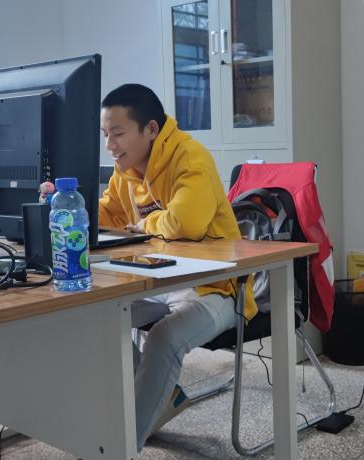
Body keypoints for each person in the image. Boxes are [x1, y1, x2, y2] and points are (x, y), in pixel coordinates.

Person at [97, 84, 255, 450]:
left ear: (151, 129)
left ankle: (121, 448)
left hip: (217, 286)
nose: (109, 145)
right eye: (105, 134)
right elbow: (104, 217)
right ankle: (160, 395)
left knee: (164, 338)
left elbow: (187, 222)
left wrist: (143, 224)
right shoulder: (125, 172)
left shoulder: (191, 156)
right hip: (157, 279)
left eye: (117, 133)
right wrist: (63, 204)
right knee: (95, 318)